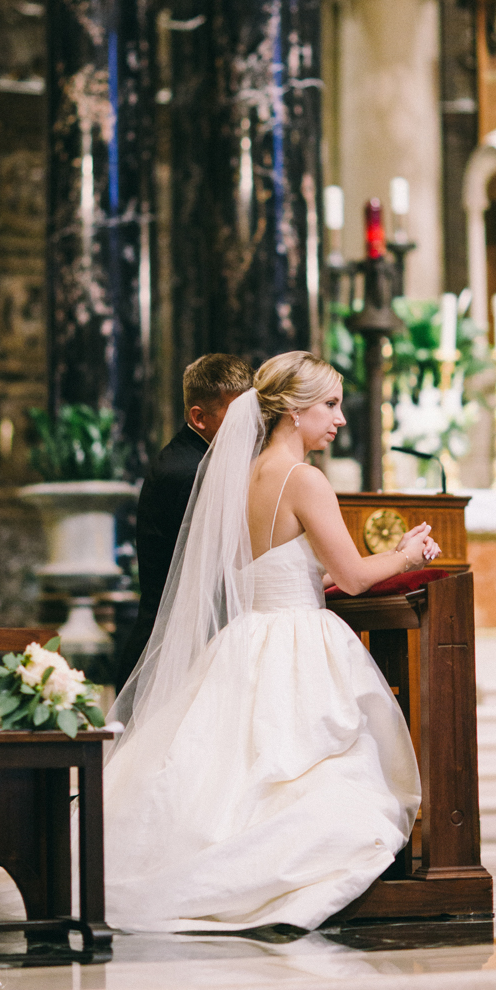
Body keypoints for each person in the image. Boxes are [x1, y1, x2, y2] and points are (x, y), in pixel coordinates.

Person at [102, 351, 439, 932]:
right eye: (329, 405)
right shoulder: (304, 479)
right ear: (293, 411)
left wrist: (338, 570)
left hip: (245, 636)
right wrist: (407, 554)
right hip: (295, 639)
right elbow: (355, 577)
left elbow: (279, 568)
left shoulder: (242, 474)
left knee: (228, 771)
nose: (337, 419)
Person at [115, 354, 254, 689]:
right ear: (199, 417)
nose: (250, 424)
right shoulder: (189, 472)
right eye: (237, 414)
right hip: (172, 657)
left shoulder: (196, 457)